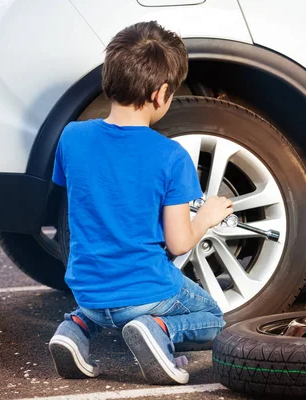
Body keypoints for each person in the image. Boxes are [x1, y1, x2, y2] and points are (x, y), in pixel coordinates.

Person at [47, 21, 232, 385]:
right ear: (162, 94)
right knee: (214, 319)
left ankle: (76, 328)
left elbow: (79, 195)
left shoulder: (73, 137)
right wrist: (207, 217)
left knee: (99, 307)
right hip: (145, 292)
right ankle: (157, 329)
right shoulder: (170, 156)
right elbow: (178, 242)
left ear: (109, 78)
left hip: (88, 288)